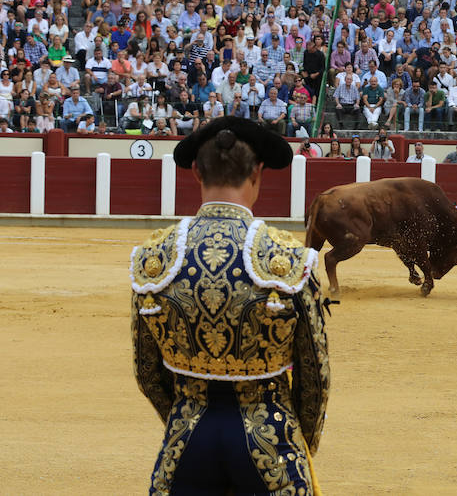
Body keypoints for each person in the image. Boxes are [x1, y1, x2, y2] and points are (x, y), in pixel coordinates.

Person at [131, 117, 329, 495]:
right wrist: (297, 440)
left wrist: (184, 417)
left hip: (186, 435)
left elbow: (147, 371)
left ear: (194, 173)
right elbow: (314, 375)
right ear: (258, 173)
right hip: (272, 437)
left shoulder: (152, 258)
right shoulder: (288, 258)